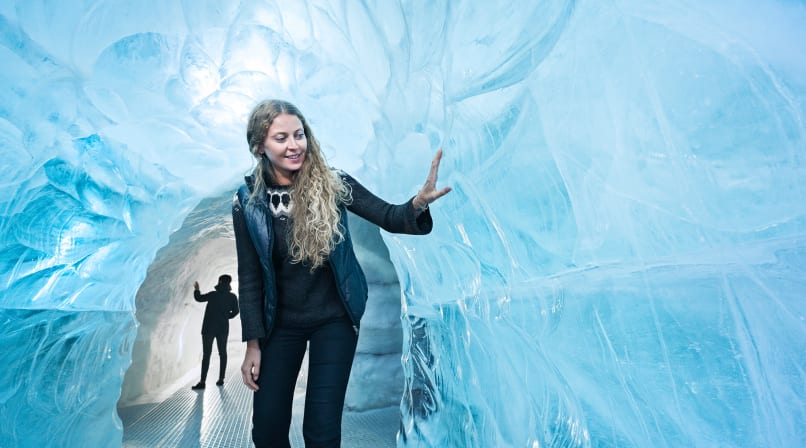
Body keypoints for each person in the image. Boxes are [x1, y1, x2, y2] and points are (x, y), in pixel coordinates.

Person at [232, 99, 451, 447]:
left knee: (320, 432)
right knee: (267, 430)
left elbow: (389, 217)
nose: (294, 145)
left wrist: (417, 204)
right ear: (260, 145)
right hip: (280, 325)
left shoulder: (334, 184)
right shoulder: (248, 202)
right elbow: (250, 278)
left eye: (299, 135)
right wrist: (252, 345)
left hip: (333, 320)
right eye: (281, 138)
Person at [191, 274, 240, 390]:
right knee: (222, 353)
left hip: (208, 329)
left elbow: (199, 298)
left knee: (206, 355)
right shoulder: (232, 297)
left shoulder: (213, 295)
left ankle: (202, 382)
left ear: (219, 282)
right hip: (222, 329)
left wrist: (197, 290)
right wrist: (226, 316)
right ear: (229, 283)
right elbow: (236, 311)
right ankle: (221, 379)